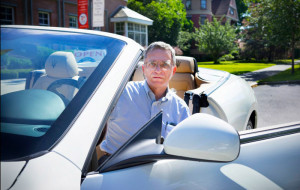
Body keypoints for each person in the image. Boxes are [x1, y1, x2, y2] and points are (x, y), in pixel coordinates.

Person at [99, 41, 190, 158]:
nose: (158, 70)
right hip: (115, 167)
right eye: (152, 64)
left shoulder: (181, 109)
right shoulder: (121, 93)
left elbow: (185, 149)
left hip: (160, 169)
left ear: (173, 70)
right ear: (144, 68)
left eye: (164, 64)